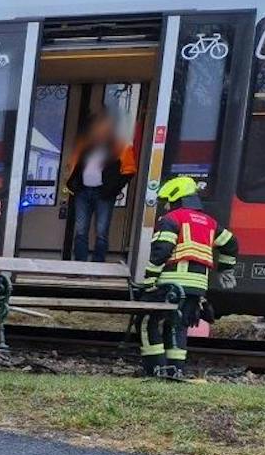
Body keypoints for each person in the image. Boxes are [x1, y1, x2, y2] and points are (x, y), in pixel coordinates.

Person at [139, 176, 238, 380]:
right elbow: (231, 244)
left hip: (173, 283)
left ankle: (155, 369)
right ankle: (175, 369)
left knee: (148, 320)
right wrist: (226, 269)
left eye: (167, 201)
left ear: (176, 198)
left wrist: (149, 281)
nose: (165, 205)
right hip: (197, 286)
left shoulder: (172, 219)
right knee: (179, 325)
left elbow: (161, 251)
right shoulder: (209, 222)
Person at [63, 112, 137, 263]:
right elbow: (73, 165)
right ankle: (79, 264)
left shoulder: (120, 146)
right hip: (83, 192)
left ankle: (98, 264)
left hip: (103, 194)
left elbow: (129, 171)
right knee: (81, 230)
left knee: (101, 231)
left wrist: (112, 189)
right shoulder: (86, 145)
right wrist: (72, 184)